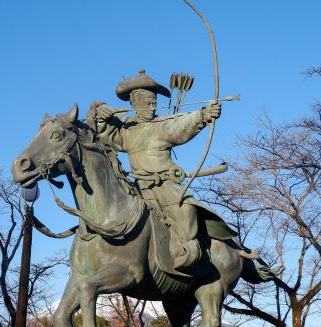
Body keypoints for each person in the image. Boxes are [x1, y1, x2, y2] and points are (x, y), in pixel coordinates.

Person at [87, 69, 236, 272]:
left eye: (154, 102)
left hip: (165, 185)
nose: (153, 106)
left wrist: (203, 115)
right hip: (138, 187)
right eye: (148, 102)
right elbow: (104, 132)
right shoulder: (126, 130)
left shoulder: (162, 125)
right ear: (134, 103)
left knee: (185, 208)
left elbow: (181, 125)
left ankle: (188, 250)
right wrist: (100, 115)